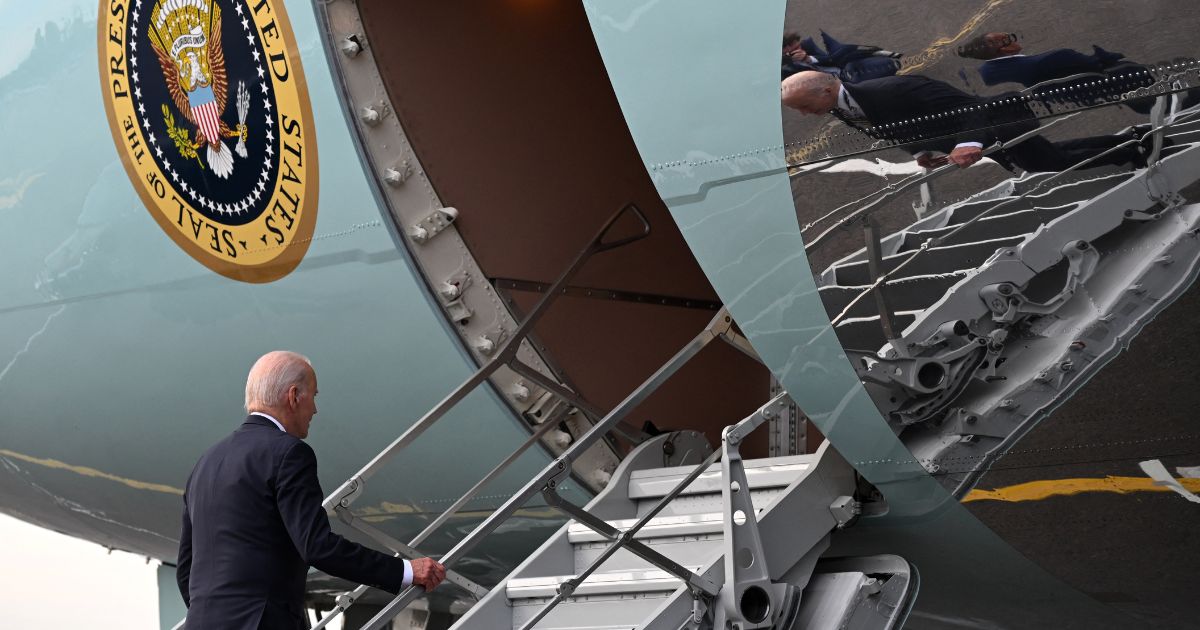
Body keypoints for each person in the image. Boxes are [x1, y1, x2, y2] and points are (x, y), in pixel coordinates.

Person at [177, 351, 447, 629]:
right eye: (314, 396)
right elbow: (318, 546)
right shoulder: (289, 453)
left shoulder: (206, 463)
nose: (315, 409)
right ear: (294, 396)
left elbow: (186, 568)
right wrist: (404, 570)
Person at [781, 70, 1147, 172]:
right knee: (1045, 159)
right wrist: (922, 150)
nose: (802, 115)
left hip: (997, 123)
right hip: (973, 137)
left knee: (1049, 163)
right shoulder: (841, 106)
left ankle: (1135, 147)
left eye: (802, 106)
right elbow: (893, 129)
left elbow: (966, 107)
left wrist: (969, 143)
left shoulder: (891, 90)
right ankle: (1133, 141)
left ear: (825, 92)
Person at [956, 32, 1197, 114]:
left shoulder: (992, 71)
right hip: (1124, 82)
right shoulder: (1056, 58)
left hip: (1102, 92)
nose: (1013, 38)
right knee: (1172, 92)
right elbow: (1097, 61)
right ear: (1001, 49)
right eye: (1006, 39)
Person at [782, 31, 902, 83]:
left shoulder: (807, 44)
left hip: (841, 70)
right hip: (829, 84)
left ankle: (876, 54)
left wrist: (809, 59)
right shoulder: (787, 69)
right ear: (785, 50)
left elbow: (830, 60)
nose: (799, 50)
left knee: (850, 58)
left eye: (799, 46)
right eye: (794, 49)